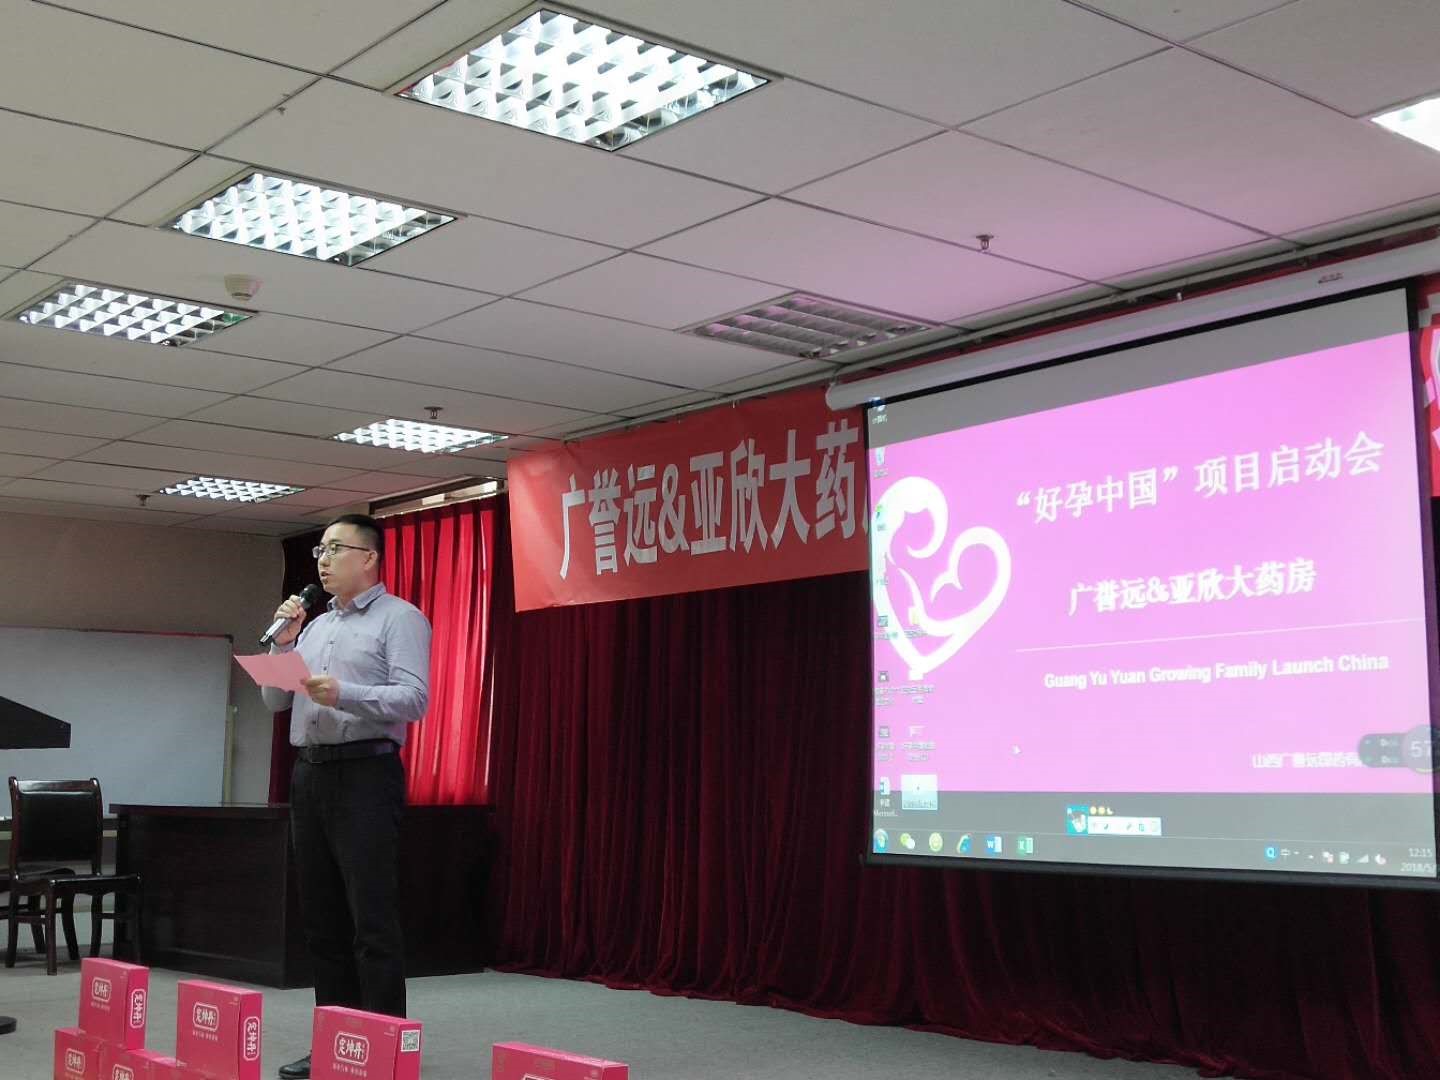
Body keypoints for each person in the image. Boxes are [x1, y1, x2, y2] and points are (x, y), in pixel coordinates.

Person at [260, 514, 431, 1080]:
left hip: (366, 774)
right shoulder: (313, 627)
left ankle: (383, 1050)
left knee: (371, 921)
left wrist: (345, 694)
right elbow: (275, 702)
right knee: (322, 922)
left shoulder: (400, 618)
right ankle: (336, 1044)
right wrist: (284, 643)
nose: (324, 560)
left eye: (335, 549)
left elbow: (414, 699)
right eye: (320, 551)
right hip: (310, 775)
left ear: (370, 558)